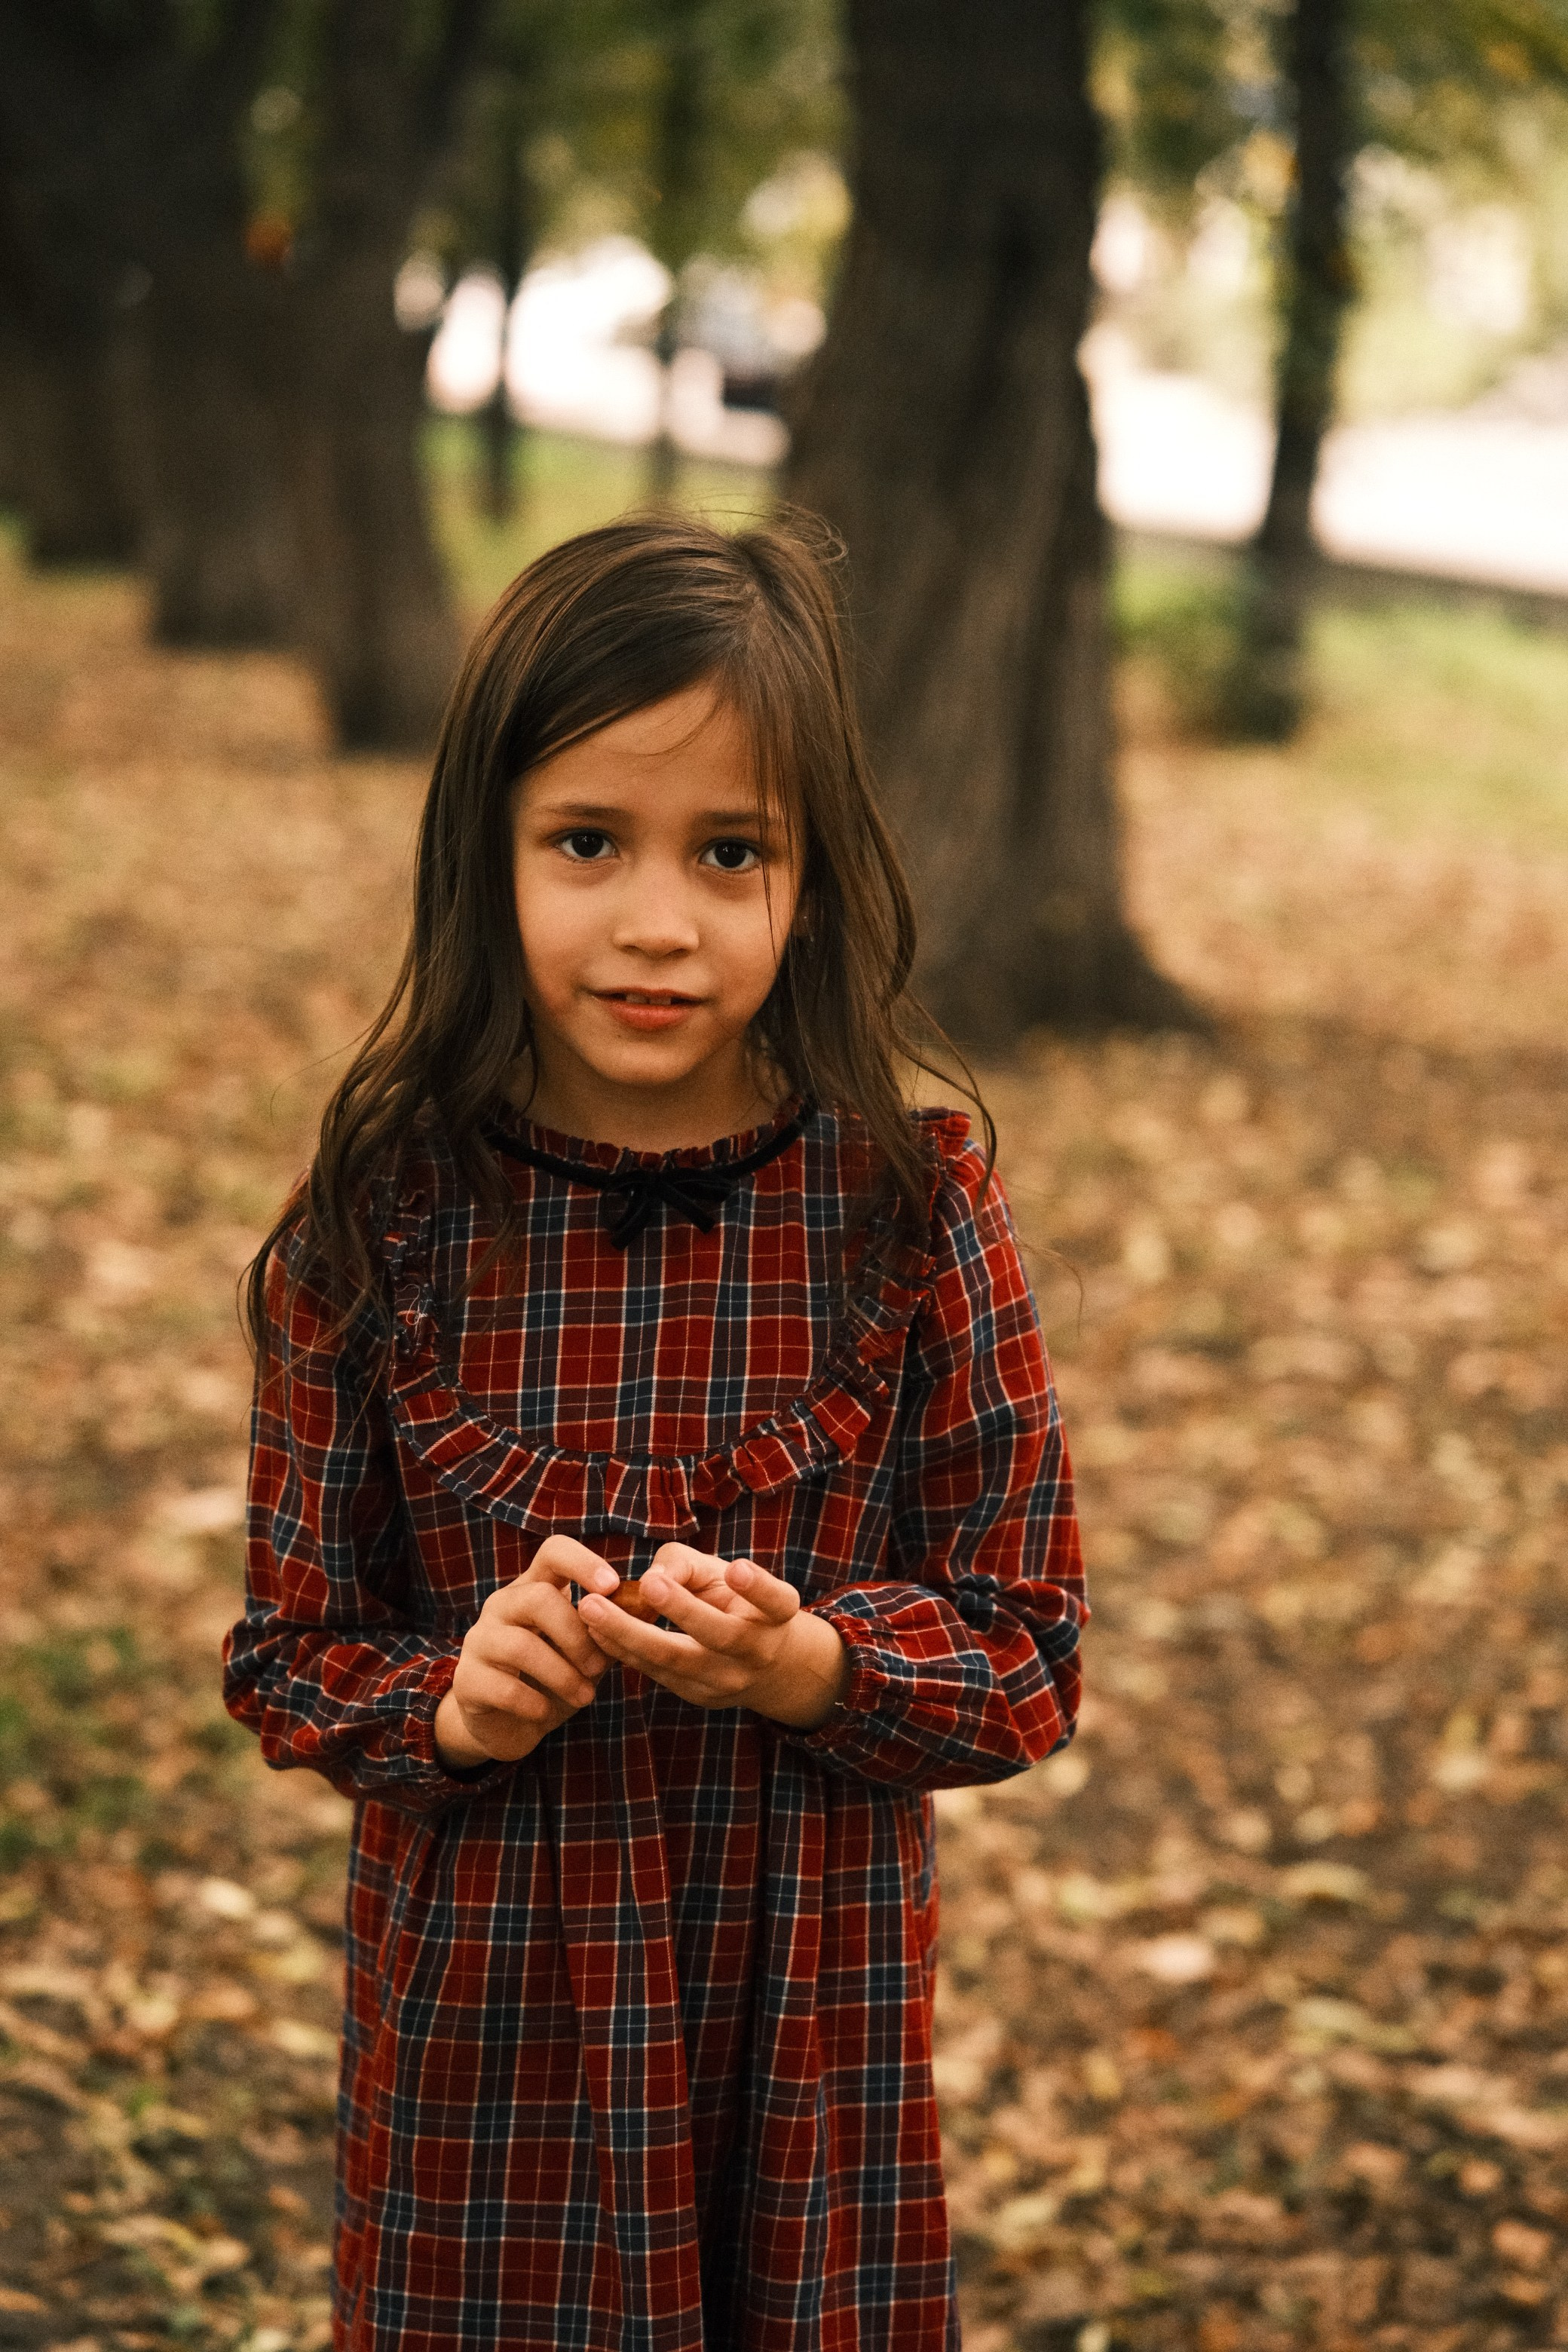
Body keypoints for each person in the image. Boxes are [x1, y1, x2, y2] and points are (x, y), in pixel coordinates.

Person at [223, 515, 1086, 2352]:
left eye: (729, 851)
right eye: (587, 842)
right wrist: (453, 1705)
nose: (656, 920)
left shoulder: (908, 1220)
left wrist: (808, 1660)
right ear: (488, 852)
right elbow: (292, 1655)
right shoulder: (383, 1220)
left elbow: (1028, 1653)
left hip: (803, 2051)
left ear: (814, 874)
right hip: (490, 2051)